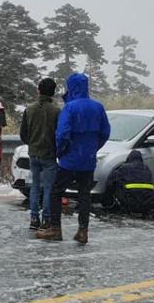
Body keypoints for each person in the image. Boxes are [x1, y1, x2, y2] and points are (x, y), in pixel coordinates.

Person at [35, 73, 110, 245]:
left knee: (56, 192)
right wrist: (93, 148)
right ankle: (83, 231)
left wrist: (61, 152)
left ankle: (55, 229)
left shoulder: (70, 107)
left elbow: (62, 134)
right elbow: (105, 132)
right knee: (84, 195)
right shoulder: (98, 107)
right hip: (88, 160)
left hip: (70, 160)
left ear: (71, 87)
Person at [19, 78, 61, 231]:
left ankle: (34, 218)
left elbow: (23, 133)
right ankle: (46, 219)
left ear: (39, 90)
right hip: (49, 154)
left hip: (34, 153)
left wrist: (31, 143)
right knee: (48, 187)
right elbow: (59, 134)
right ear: (53, 92)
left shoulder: (29, 109)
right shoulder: (56, 111)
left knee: (35, 186)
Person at [106, 150, 154, 217]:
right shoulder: (146, 168)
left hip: (130, 203)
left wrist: (107, 201)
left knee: (116, 183)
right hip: (148, 204)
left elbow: (110, 181)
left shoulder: (124, 168)